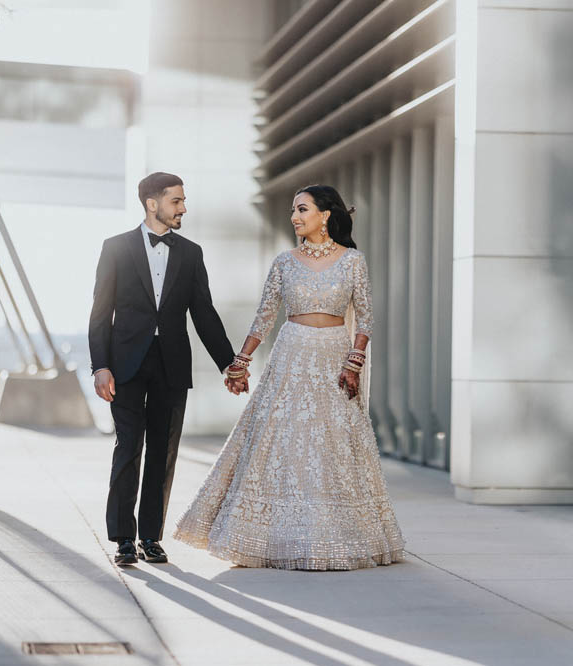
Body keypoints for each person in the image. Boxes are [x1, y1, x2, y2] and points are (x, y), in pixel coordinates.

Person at [173, 184, 405, 570]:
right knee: (280, 441)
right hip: (291, 353)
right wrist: (240, 362)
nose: (295, 217)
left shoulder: (353, 261)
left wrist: (354, 361)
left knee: (332, 444)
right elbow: (265, 315)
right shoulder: (284, 262)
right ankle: (271, 537)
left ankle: (338, 536)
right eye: (293, 211)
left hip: (334, 354)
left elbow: (364, 317)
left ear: (325, 215)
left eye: (302, 209)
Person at [88, 172, 243, 567]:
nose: (183, 208)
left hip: (172, 363)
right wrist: (100, 365)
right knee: (128, 446)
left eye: (183, 200)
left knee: (163, 451)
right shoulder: (116, 248)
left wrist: (230, 364)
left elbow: (204, 314)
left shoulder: (191, 254)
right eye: (177, 201)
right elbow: (100, 312)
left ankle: (150, 537)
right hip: (124, 364)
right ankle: (123, 537)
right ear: (152, 203)